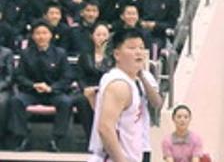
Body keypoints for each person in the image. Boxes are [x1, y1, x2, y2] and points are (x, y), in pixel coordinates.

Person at [87, 28, 163, 162]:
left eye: (141, 47)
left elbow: (157, 103)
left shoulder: (132, 80)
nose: (138, 52)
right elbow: (105, 128)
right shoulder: (119, 84)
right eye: (132, 48)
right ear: (117, 54)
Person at [12, 21, 75, 152]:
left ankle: (56, 139)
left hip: (53, 92)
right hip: (32, 92)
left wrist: (52, 88)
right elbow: (19, 76)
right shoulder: (26, 53)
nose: (41, 36)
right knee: (16, 101)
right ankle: (23, 138)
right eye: (38, 33)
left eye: (44, 33)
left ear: (51, 35)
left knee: (66, 102)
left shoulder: (60, 53)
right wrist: (33, 85)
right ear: (33, 36)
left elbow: (67, 77)